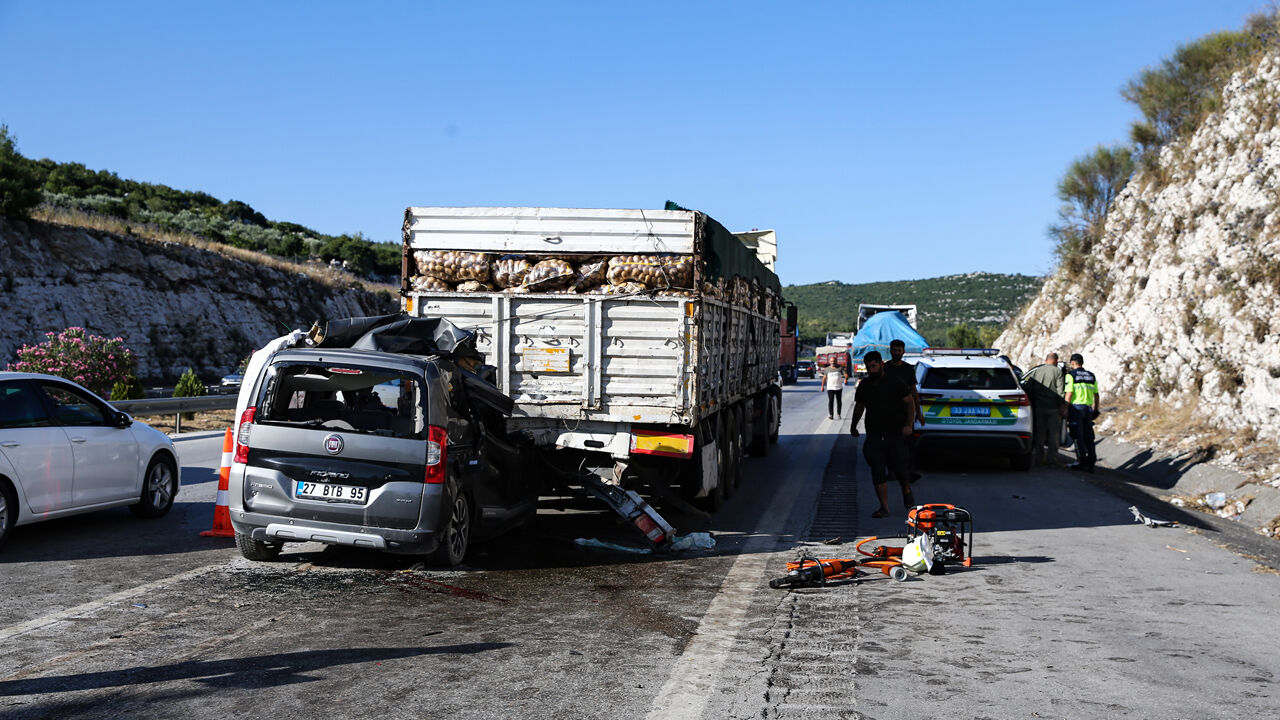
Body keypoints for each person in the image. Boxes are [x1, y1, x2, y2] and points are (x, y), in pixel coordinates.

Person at [850, 351, 916, 518]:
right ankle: (884, 507)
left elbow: (910, 403)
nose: (871, 369)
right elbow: (859, 407)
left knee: (901, 472)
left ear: (881, 364)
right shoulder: (865, 385)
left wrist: (909, 425)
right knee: (877, 472)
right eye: (868, 366)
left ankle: (907, 493)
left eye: (874, 366)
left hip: (895, 435)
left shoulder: (895, 382)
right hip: (875, 436)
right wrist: (853, 426)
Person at [883, 339, 924, 481]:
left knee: (908, 445)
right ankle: (891, 472)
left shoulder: (908, 369)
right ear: (890, 351)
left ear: (903, 352)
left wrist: (918, 413)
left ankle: (909, 472)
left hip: (906, 411)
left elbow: (914, 392)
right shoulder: (885, 368)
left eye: (899, 350)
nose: (896, 353)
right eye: (894, 350)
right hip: (888, 412)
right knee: (889, 444)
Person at [1021, 352, 1067, 466]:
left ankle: (1038, 459)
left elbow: (1028, 388)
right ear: (1056, 361)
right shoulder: (1058, 372)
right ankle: (1052, 460)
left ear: (1046, 360)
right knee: (1053, 435)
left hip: (1038, 408)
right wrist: (1062, 407)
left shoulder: (1037, 371)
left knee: (1039, 434)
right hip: (1053, 409)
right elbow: (1061, 392)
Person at [1064, 353, 1100, 472]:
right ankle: (1092, 460)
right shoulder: (1091, 376)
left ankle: (1080, 461)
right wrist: (1096, 409)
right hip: (1088, 409)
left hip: (1076, 409)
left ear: (1073, 363)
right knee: (1089, 436)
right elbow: (1096, 394)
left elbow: (1069, 394)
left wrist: (1064, 408)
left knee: (1077, 436)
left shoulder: (1071, 376)